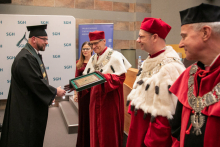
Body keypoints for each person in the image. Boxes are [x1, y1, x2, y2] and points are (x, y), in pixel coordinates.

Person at [0, 24, 66, 147]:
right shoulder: (25, 58)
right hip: (26, 109)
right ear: (34, 39)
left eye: (47, 39)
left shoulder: (31, 55)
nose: (47, 42)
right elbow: (36, 83)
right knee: (27, 138)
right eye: (44, 39)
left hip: (28, 105)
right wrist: (54, 92)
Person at [126, 17, 185, 147]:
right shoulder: (150, 60)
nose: (138, 40)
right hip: (139, 130)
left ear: (154, 37)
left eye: (141, 37)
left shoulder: (170, 68)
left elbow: (164, 120)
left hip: (149, 138)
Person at [170, 3, 220, 147]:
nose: (180, 44)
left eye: (184, 36)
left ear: (205, 33)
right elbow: (177, 130)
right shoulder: (188, 75)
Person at [84, 31, 131, 147]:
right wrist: (76, 85)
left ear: (104, 41)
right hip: (95, 99)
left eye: (96, 43)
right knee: (96, 129)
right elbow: (88, 78)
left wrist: (102, 77)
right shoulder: (93, 58)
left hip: (109, 100)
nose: (94, 47)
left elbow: (120, 78)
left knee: (108, 131)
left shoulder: (115, 56)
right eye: (91, 44)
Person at [74, 41, 93, 147]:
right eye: (83, 49)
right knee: (83, 118)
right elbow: (76, 80)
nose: (85, 51)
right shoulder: (79, 63)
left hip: (94, 94)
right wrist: (76, 94)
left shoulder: (95, 62)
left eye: (87, 48)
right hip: (83, 96)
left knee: (93, 118)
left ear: (92, 50)